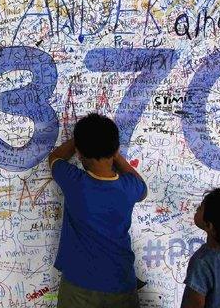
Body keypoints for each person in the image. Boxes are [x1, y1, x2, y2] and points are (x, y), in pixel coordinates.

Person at [48, 113, 147, 308]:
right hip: (122, 282)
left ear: (79, 153)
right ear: (116, 148)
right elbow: (142, 186)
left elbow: (55, 157)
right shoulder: (129, 187)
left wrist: (80, 140)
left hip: (79, 284)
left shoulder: (75, 183)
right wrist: (114, 154)